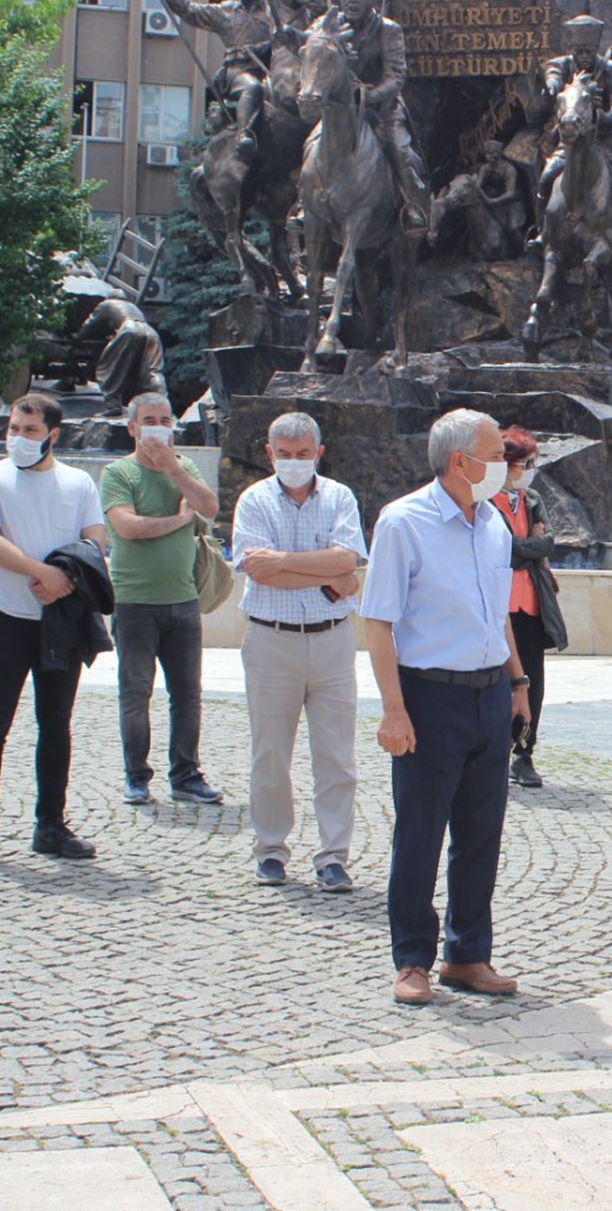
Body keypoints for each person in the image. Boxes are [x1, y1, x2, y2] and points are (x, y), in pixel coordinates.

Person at [361, 410, 533, 1007]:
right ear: (461, 461)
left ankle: (468, 954)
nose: (505, 466)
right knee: (420, 833)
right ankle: (412, 959)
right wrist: (393, 710)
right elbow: (378, 621)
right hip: (428, 695)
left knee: (481, 833)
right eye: (495, 454)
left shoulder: (493, 523)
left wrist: (517, 683)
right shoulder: (403, 522)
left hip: (488, 693)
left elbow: (499, 613)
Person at [0, 393, 108, 870]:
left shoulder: (78, 481)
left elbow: (94, 540)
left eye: (29, 430)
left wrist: (64, 580)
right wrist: (42, 574)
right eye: (14, 428)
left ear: (52, 434)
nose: (19, 438)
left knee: (55, 726)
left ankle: (51, 825)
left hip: (60, 620)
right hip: (5, 617)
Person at [230, 412, 368, 891]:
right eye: (285, 455)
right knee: (270, 753)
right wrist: (325, 571)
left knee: (336, 756)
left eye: (303, 454)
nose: (294, 462)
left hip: (331, 639)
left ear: (319, 453)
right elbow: (257, 571)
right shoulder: (253, 500)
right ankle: (270, 850)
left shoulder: (339, 497)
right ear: (270, 455)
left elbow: (347, 561)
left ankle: (333, 856)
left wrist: (286, 561)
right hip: (272, 639)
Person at [100, 393, 222, 808]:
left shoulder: (182, 468)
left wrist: (174, 471)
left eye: (165, 420)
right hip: (135, 602)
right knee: (136, 692)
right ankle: (136, 775)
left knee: (188, 692)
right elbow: (128, 527)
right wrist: (180, 519)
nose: (158, 426)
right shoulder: (118, 473)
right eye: (149, 420)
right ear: (132, 427)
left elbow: (209, 507)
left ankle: (186, 774)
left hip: (183, 600)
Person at [532, 15, 612, 255]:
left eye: (588, 50)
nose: (583, 55)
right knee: (546, 177)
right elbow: (552, 79)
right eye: (578, 50)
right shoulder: (561, 65)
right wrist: (553, 88)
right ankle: (542, 231)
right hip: (571, 143)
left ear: (596, 49)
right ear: (570, 49)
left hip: (605, 141)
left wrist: (600, 117)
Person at [492, 427, 567, 789]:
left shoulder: (532, 497)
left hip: (532, 606)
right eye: (524, 464)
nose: (529, 470)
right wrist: (529, 545)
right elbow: (498, 550)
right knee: (499, 679)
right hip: (498, 606)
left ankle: (524, 753)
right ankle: (494, 748)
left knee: (532, 681)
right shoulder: (485, 500)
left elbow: (549, 542)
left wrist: (527, 546)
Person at [333, 0, 430, 234]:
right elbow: (312, 48)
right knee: (309, 144)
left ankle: (412, 205)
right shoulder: (331, 26)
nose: (351, 0)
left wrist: (368, 96)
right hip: (342, 108)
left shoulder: (389, 30)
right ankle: (304, 204)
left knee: (400, 150)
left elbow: (396, 78)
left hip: (381, 107)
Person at [142, 0, 272, 161]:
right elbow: (188, 9)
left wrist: (264, 47)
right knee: (252, 88)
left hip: (269, 72)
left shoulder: (271, 13)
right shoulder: (226, 12)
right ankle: (243, 134)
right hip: (237, 73)